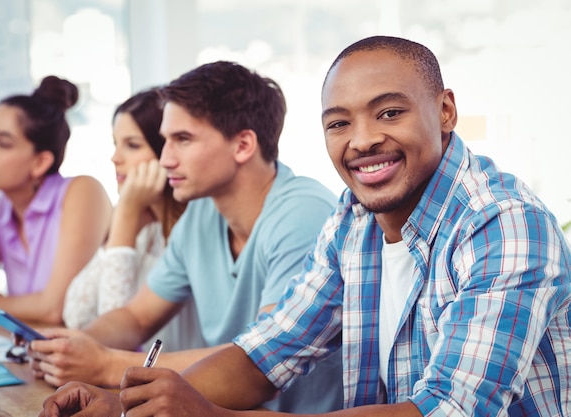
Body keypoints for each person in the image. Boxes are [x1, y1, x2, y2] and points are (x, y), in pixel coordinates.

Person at [39, 35, 571, 417]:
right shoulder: (352, 222)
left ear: (446, 111)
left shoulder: (504, 225)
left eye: (388, 113)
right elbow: (269, 351)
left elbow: (448, 410)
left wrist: (209, 415)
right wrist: (128, 404)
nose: (360, 140)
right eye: (339, 123)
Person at [31, 61, 344, 413]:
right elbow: (136, 317)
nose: (165, 160)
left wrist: (105, 364)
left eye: (182, 139)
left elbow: (260, 359)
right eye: (165, 141)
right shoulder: (201, 213)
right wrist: (77, 347)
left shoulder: (303, 213)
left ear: (243, 145)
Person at [0, 76, 112, 324]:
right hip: (32, 356)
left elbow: (54, 310)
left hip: (96, 355)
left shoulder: (83, 191)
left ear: (40, 162)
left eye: (3, 143)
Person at [62, 87, 206, 352]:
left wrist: (126, 214)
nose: (115, 158)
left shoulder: (194, 229)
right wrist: (125, 224)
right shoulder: (145, 228)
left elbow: (116, 335)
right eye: (116, 144)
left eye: (132, 145)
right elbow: (77, 316)